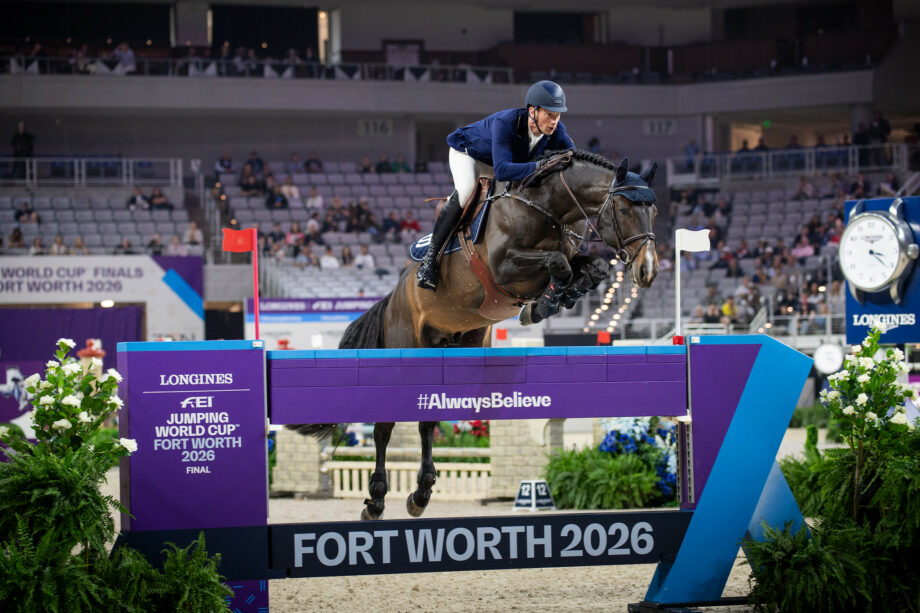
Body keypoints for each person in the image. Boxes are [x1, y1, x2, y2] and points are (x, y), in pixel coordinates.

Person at [416, 80, 575, 291]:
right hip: (471, 156)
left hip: (504, 162)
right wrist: (540, 166)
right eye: (549, 114)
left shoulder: (556, 130)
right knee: (465, 192)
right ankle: (429, 260)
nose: (554, 121)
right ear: (532, 111)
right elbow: (502, 171)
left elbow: (573, 158)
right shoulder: (506, 122)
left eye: (558, 115)